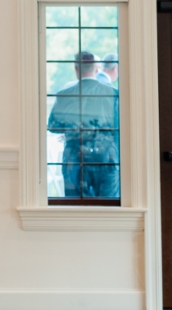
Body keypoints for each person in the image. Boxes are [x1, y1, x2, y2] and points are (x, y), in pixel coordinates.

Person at [47, 49, 119, 199]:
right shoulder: (113, 94)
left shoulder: (64, 94)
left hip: (75, 158)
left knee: (76, 205)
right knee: (108, 206)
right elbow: (120, 127)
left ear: (76, 69)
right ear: (96, 68)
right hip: (107, 158)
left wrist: (72, 129)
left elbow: (53, 126)